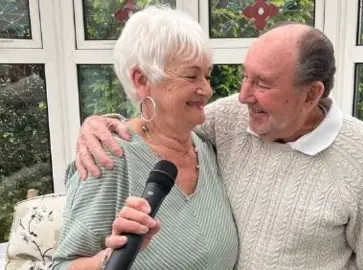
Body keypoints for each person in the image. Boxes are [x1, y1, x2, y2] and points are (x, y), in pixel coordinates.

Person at [74, 22, 363, 269]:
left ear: (311, 95)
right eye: (245, 77)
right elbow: (165, 120)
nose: (242, 95)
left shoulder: (360, 153)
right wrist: (99, 124)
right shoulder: (233, 118)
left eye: (262, 83)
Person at [51, 6, 238, 270]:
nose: (207, 89)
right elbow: (63, 265)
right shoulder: (110, 157)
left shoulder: (207, 148)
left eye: (207, 75)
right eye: (191, 75)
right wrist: (111, 257)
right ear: (142, 80)